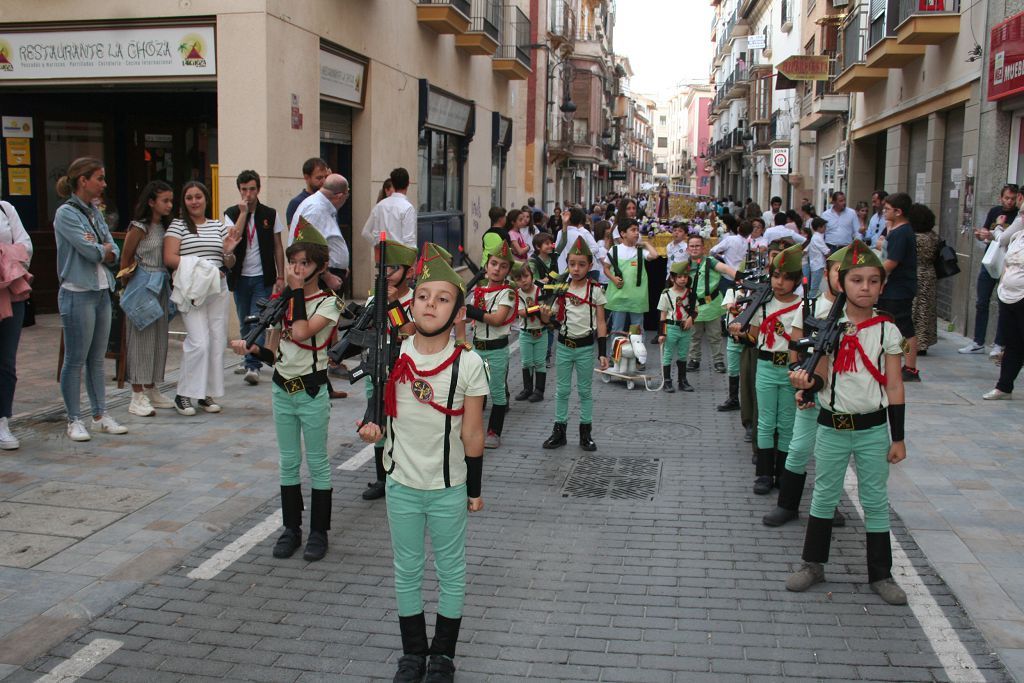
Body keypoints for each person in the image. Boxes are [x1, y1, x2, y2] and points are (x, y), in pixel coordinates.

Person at [357, 246, 487, 683]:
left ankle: (443, 656)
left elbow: (471, 434)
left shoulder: (469, 364)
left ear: (458, 309)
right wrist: (372, 427)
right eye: (423, 296)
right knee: (407, 569)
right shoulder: (393, 354)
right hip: (402, 484)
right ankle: (413, 653)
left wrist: (473, 490)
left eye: (443, 298)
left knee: (451, 571)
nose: (431, 304)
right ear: (411, 302)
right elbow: (378, 406)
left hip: (448, 487)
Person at [786, 240, 908, 606]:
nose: (865, 287)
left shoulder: (888, 330)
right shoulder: (828, 327)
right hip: (832, 427)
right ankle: (813, 564)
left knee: (875, 499)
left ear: (882, 287)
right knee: (824, 495)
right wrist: (805, 383)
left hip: (872, 429)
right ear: (843, 283)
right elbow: (820, 374)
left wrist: (897, 438)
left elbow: (896, 385)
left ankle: (881, 573)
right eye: (857, 280)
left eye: (873, 281)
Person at [230, 222, 341, 562]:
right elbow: (276, 350)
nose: (297, 268)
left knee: (318, 463)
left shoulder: (329, 303)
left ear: (320, 267)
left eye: (305, 262)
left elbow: (304, 332)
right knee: (289, 463)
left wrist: (291, 294)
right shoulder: (284, 302)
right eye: (293, 261)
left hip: (311, 391)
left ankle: (319, 532)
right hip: (282, 391)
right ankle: (291, 529)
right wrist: (252, 351)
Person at [762, 248, 848, 527]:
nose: (849, 281)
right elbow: (795, 352)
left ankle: (829, 505)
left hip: (844, 397)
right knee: (798, 449)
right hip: (812, 393)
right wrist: (802, 385)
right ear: (828, 274)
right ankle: (787, 505)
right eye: (841, 273)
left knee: (831, 456)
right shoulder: (810, 307)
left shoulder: (863, 314)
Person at [54, 157, 128, 441]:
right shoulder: (66, 213)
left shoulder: (96, 212)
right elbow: (91, 250)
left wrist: (104, 248)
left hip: (101, 290)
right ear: (83, 180)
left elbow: (114, 248)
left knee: (97, 358)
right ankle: (74, 418)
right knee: (75, 359)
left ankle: (100, 414)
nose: (104, 184)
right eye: (99, 178)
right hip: (77, 291)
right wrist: (102, 248)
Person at [730, 243, 803, 495]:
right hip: (765, 365)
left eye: (786, 278)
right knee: (765, 421)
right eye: (775, 276)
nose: (780, 282)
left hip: (789, 369)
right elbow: (753, 337)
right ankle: (763, 473)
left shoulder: (804, 307)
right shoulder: (762, 304)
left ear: (796, 280)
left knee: (786, 423)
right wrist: (738, 332)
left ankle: (782, 472)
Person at [165, 181, 237, 416]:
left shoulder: (217, 226)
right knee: (199, 342)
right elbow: (169, 257)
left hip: (218, 288)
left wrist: (227, 252)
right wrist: (204, 269)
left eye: (198, 196)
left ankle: (206, 393)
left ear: (206, 199)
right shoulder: (178, 226)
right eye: (189, 198)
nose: (194, 201)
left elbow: (229, 261)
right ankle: (183, 394)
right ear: (183, 202)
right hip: (192, 289)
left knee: (216, 341)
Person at [361, 238, 420, 501]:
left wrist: (394, 305)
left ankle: (406, 472)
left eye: (392, 269)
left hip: (403, 370)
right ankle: (382, 477)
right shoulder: (374, 297)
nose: (385, 275)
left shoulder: (417, 299)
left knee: (404, 424)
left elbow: (408, 332)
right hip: (376, 365)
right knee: (377, 418)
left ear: (409, 271)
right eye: (380, 269)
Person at [540, 237, 609, 451]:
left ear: (590, 265)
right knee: (561, 391)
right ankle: (559, 432)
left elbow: (600, 322)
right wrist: (544, 317)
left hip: (586, 348)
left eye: (581, 264)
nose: (576, 269)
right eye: (572, 264)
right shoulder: (560, 288)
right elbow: (550, 320)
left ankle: (585, 434)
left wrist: (603, 353)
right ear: (567, 264)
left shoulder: (595, 290)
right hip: (564, 347)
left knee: (585, 392)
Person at [223, 170, 286, 386]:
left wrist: (281, 274)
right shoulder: (231, 213)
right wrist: (243, 213)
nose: (248, 194)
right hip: (240, 276)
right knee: (244, 320)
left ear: (258, 189)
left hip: (262, 276)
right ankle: (249, 355)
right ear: (239, 191)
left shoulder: (270, 213)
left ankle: (252, 365)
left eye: (252, 189)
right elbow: (234, 238)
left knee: (257, 319)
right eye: (244, 190)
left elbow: (278, 245)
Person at [121, 181, 175, 417]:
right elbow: (126, 257)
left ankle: (152, 387)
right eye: (165, 200)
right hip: (144, 283)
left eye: (170, 200)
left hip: (161, 284)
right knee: (140, 339)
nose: (169, 205)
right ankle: (136, 393)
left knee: (158, 338)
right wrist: (127, 285)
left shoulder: (165, 227)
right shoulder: (139, 227)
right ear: (151, 202)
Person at [464, 242, 516, 449]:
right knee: (474, 389)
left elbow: (496, 319)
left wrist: (470, 310)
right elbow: (469, 320)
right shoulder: (479, 290)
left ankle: (494, 432)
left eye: (503, 266)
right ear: (486, 266)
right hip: (477, 349)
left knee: (497, 391)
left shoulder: (507, 292)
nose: (497, 269)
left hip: (496, 351)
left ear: (508, 271)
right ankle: (473, 429)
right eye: (493, 264)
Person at [962, 184, 1019, 355]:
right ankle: (978, 341)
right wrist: (982, 235)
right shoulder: (994, 211)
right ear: (1001, 197)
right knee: (981, 302)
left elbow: (1008, 238)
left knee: (1003, 303)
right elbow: (987, 232)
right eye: (1006, 198)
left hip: (1007, 263)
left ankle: (999, 343)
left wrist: (996, 232)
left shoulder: (1018, 217)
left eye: (1013, 198)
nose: (1009, 201)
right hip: (990, 261)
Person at [877, 192, 920, 381]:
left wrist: (873, 276)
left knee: (904, 329)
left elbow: (891, 262)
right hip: (892, 289)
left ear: (898, 211)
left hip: (898, 290)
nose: (884, 212)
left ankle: (910, 367)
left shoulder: (903, 233)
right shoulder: (897, 230)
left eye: (887, 209)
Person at [0, 199, 32, 449]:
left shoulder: (5, 208)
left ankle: (3, 422)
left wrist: (3, 255)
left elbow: (26, 248)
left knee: (6, 362)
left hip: (10, 291)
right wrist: (8, 252)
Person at [982, 212, 1024, 399]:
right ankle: (1004, 386)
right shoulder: (1017, 236)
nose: (1022, 217)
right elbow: (1006, 261)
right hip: (1007, 296)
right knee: (1012, 343)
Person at [685, 235, 738, 373]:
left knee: (715, 335)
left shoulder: (710, 261)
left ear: (703, 248)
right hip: (694, 306)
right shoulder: (685, 265)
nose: (695, 248)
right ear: (687, 249)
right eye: (692, 246)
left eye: (697, 246)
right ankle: (694, 359)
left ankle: (718, 361)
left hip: (712, 305)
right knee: (694, 335)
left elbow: (726, 269)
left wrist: (740, 278)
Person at [291, 174, 350, 294]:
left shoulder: (322, 206)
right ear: (340, 196)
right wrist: (326, 276)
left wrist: (342, 265)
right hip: (320, 279)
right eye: (347, 194)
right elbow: (307, 249)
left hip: (329, 273)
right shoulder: (316, 210)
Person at [602, 218, 658, 335]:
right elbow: (606, 268)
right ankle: (615, 352)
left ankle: (638, 352)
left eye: (637, 230)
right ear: (623, 234)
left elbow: (655, 255)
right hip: (619, 296)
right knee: (617, 329)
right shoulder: (615, 250)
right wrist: (613, 278)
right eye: (633, 230)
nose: (637, 233)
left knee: (637, 329)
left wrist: (646, 244)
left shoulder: (640, 250)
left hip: (637, 296)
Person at [657, 261, 695, 393]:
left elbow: (695, 309)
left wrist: (691, 318)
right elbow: (662, 315)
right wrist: (661, 333)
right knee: (667, 354)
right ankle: (667, 381)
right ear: (672, 278)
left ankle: (682, 380)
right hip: (671, 326)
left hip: (685, 327)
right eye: (679, 277)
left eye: (685, 276)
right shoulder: (666, 294)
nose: (683, 279)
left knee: (683, 355)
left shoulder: (690, 293)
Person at [513, 262, 547, 402]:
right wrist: (538, 308)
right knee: (526, 362)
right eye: (519, 278)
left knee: (539, 362)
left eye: (526, 276)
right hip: (526, 333)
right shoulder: (517, 294)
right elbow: (521, 312)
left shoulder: (541, 291)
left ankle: (539, 391)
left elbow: (547, 309)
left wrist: (541, 309)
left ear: (532, 276)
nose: (523, 280)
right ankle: (527, 389)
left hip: (541, 332)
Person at [909, 203, 939, 354]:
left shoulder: (915, 238)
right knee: (926, 309)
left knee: (914, 309)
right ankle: (923, 342)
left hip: (916, 274)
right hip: (929, 274)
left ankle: (914, 342)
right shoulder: (933, 236)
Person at [362, 167, 417, 249]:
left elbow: (365, 232)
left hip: (382, 257)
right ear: (408, 183)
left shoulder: (380, 205)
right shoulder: (408, 208)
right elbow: (409, 241)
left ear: (393, 185)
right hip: (400, 258)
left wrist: (377, 245)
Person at [286, 157, 330, 225]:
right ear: (307, 177)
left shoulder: (329, 199)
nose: (324, 181)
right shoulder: (296, 203)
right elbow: (294, 232)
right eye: (319, 178)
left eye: (326, 177)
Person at [555, 207, 600, 273]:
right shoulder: (580, 234)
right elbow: (591, 249)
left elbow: (557, 249)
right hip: (576, 271)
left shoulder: (560, 233)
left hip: (562, 270)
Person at [807, 217, 830, 296]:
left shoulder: (817, 237)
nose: (825, 228)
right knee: (815, 287)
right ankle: (810, 303)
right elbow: (826, 251)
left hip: (817, 264)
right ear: (819, 227)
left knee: (816, 286)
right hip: (818, 264)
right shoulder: (817, 238)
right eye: (824, 226)